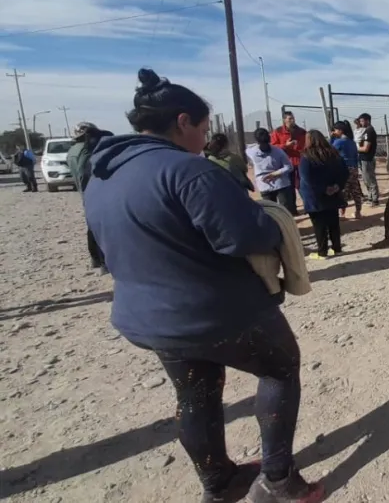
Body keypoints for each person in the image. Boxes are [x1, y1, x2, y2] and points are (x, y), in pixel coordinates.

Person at [84, 68, 323, 503]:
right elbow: (243, 237)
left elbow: (101, 248)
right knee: (280, 368)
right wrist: (272, 221)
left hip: (149, 317)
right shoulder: (188, 171)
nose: (205, 137)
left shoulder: (101, 175)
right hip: (214, 312)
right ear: (182, 122)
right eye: (203, 128)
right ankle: (278, 481)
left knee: (195, 394)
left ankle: (218, 483)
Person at [66, 122, 114, 271]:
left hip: (85, 192)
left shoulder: (72, 150)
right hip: (93, 190)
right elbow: (88, 172)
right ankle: (104, 262)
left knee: (92, 225)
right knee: (102, 226)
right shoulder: (87, 150)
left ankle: (95, 259)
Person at [298, 129, 349, 260]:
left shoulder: (307, 157)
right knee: (333, 222)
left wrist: (323, 189)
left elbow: (307, 178)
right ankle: (337, 248)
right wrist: (337, 186)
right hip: (333, 194)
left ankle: (322, 252)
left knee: (319, 224)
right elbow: (344, 172)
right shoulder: (334, 154)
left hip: (315, 196)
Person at [246, 128, 298, 216]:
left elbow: (289, 167)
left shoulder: (277, 151)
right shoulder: (252, 152)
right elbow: (247, 149)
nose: (265, 147)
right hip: (266, 185)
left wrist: (273, 174)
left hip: (279, 184)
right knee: (272, 212)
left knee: (282, 211)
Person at [270, 112, 307, 209]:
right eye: (289, 118)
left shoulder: (302, 132)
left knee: (302, 185)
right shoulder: (278, 132)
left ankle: (308, 205)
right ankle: (292, 208)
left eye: (293, 118)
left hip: (300, 161)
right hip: (285, 163)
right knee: (288, 187)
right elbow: (273, 147)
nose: (292, 120)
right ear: (284, 120)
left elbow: (307, 145)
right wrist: (285, 146)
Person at [331, 120, 364, 218]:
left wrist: (332, 138)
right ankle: (358, 212)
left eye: (335, 130)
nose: (334, 132)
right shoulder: (352, 142)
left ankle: (342, 214)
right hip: (354, 168)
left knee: (344, 190)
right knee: (355, 190)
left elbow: (330, 151)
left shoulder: (339, 142)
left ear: (340, 130)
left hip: (344, 168)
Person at [355, 112, 379, 206]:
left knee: (370, 179)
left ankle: (375, 199)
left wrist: (355, 148)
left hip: (367, 158)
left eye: (362, 121)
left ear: (367, 121)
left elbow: (366, 148)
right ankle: (370, 197)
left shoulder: (370, 131)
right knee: (366, 179)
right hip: (363, 158)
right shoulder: (365, 130)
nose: (361, 123)